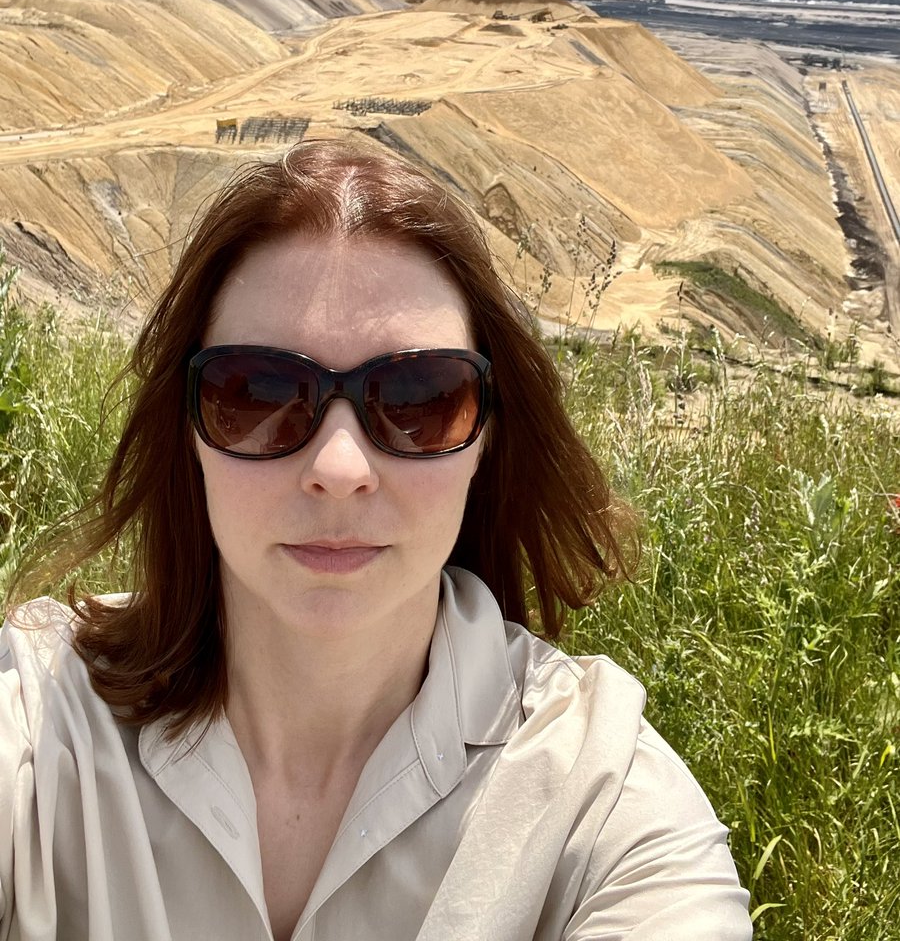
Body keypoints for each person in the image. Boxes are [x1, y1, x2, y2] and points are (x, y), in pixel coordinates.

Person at [0, 139, 753, 941]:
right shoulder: (45, 726)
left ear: (487, 437)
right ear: (189, 431)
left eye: (420, 399)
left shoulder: (599, 796)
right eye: (255, 394)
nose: (338, 466)